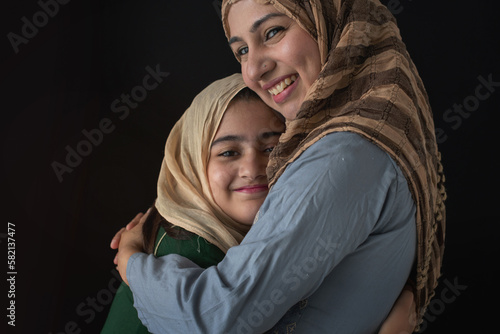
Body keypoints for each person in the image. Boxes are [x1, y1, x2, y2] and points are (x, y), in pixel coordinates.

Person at [115, 0, 446, 332]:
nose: (254, 70)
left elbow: (216, 319)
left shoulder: (341, 156)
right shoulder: (372, 134)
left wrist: (132, 264)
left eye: (273, 32)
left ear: (331, 19)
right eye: (241, 50)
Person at [105, 73, 415, 333]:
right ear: (192, 165)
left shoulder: (258, 242)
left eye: (271, 147)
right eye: (228, 152)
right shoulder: (190, 250)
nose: (254, 169)